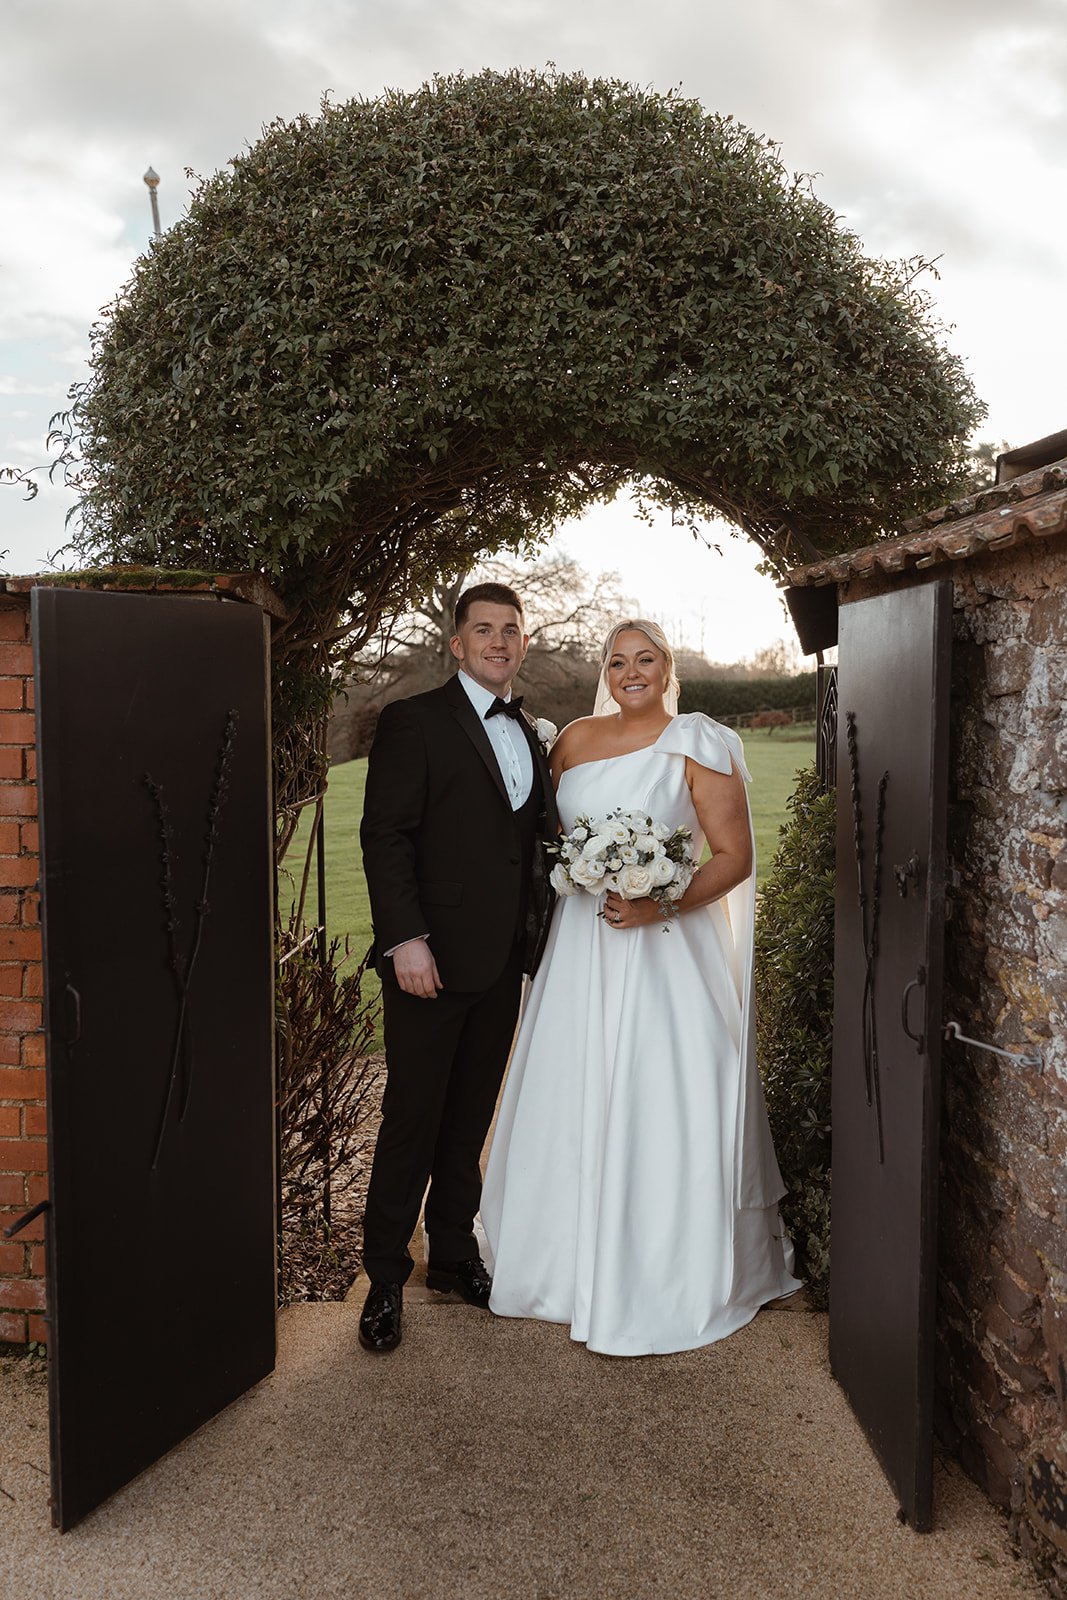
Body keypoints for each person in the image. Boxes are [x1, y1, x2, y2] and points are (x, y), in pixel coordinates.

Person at [481, 619, 801, 1356]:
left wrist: (661, 899)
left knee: (664, 1089)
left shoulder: (699, 739)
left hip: (663, 947)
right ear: (604, 670)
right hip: (579, 949)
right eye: (618, 660)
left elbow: (734, 855)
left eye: (645, 659)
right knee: (571, 1087)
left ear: (667, 667)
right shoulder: (570, 743)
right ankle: (559, 1261)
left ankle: (659, 1267)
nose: (631, 671)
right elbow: (542, 838)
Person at [357, 582, 558, 1353]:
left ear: (522, 642)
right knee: (411, 1118)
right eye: (484, 631)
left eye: (511, 630)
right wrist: (405, 938)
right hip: (428, 962)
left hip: (502, 959)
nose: (499, 642)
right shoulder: (413, 721)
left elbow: (527, 843)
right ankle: (382, 1279)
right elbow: (386, 837)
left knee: (470, 1114)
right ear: (456, 642)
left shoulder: (531, 733)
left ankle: (450, 1256)